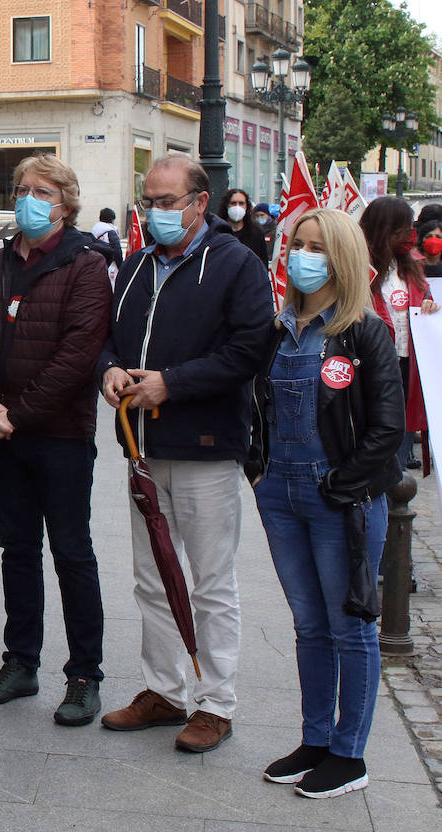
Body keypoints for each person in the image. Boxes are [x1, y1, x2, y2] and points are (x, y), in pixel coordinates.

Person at [97, 156, 273, 752]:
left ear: (201, 203)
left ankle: (216, 704)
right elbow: (105, 339)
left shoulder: (236, 264)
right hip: (142, 449)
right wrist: (110, 371)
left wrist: (173, 382)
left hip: (206, 449)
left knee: (210, 582)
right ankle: (163, 691)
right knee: (151, 579)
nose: (155, 213)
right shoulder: (134, 265)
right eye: (148, 201)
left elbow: (250, 348)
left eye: (167, 202)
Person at [245, 208, 404, 798]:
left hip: (340, 499)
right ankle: (315, 738)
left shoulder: (365, 330)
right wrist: (257, 469)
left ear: (341, 257)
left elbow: (389, 428)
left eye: (316, 246)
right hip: (280, 495)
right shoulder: (279, 326)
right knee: (308, 625)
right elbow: (255, 404)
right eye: (297, 244)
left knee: (350, 628)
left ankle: (349, 753)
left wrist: (344, 486)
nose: (303, 256)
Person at [0, 155, 111, 725]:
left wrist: (13, 414)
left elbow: (77, 356)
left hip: (60, 436)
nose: (27, 199)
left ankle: (84, 675)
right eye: (21, 189)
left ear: (65, 202)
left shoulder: (86, 266)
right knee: (16, 551)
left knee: (71, 553)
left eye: (40, 191)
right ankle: (21, 663)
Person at [360, 196, 430, 472]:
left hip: (407, 364)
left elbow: (426, 301)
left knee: (401, 428)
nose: (410, 236)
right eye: (403, 229)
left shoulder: (413, 268)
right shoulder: (362, 269)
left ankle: (397, 479)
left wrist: (429, 306)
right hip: (373, 365)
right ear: (384, 229)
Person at [216, 188, 269, 265]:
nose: (237, 207)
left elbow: (262, 263)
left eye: (241, 203)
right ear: (226, 205)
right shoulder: (217, 232)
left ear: (246, 206)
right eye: (233, 203)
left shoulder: (256, 233)